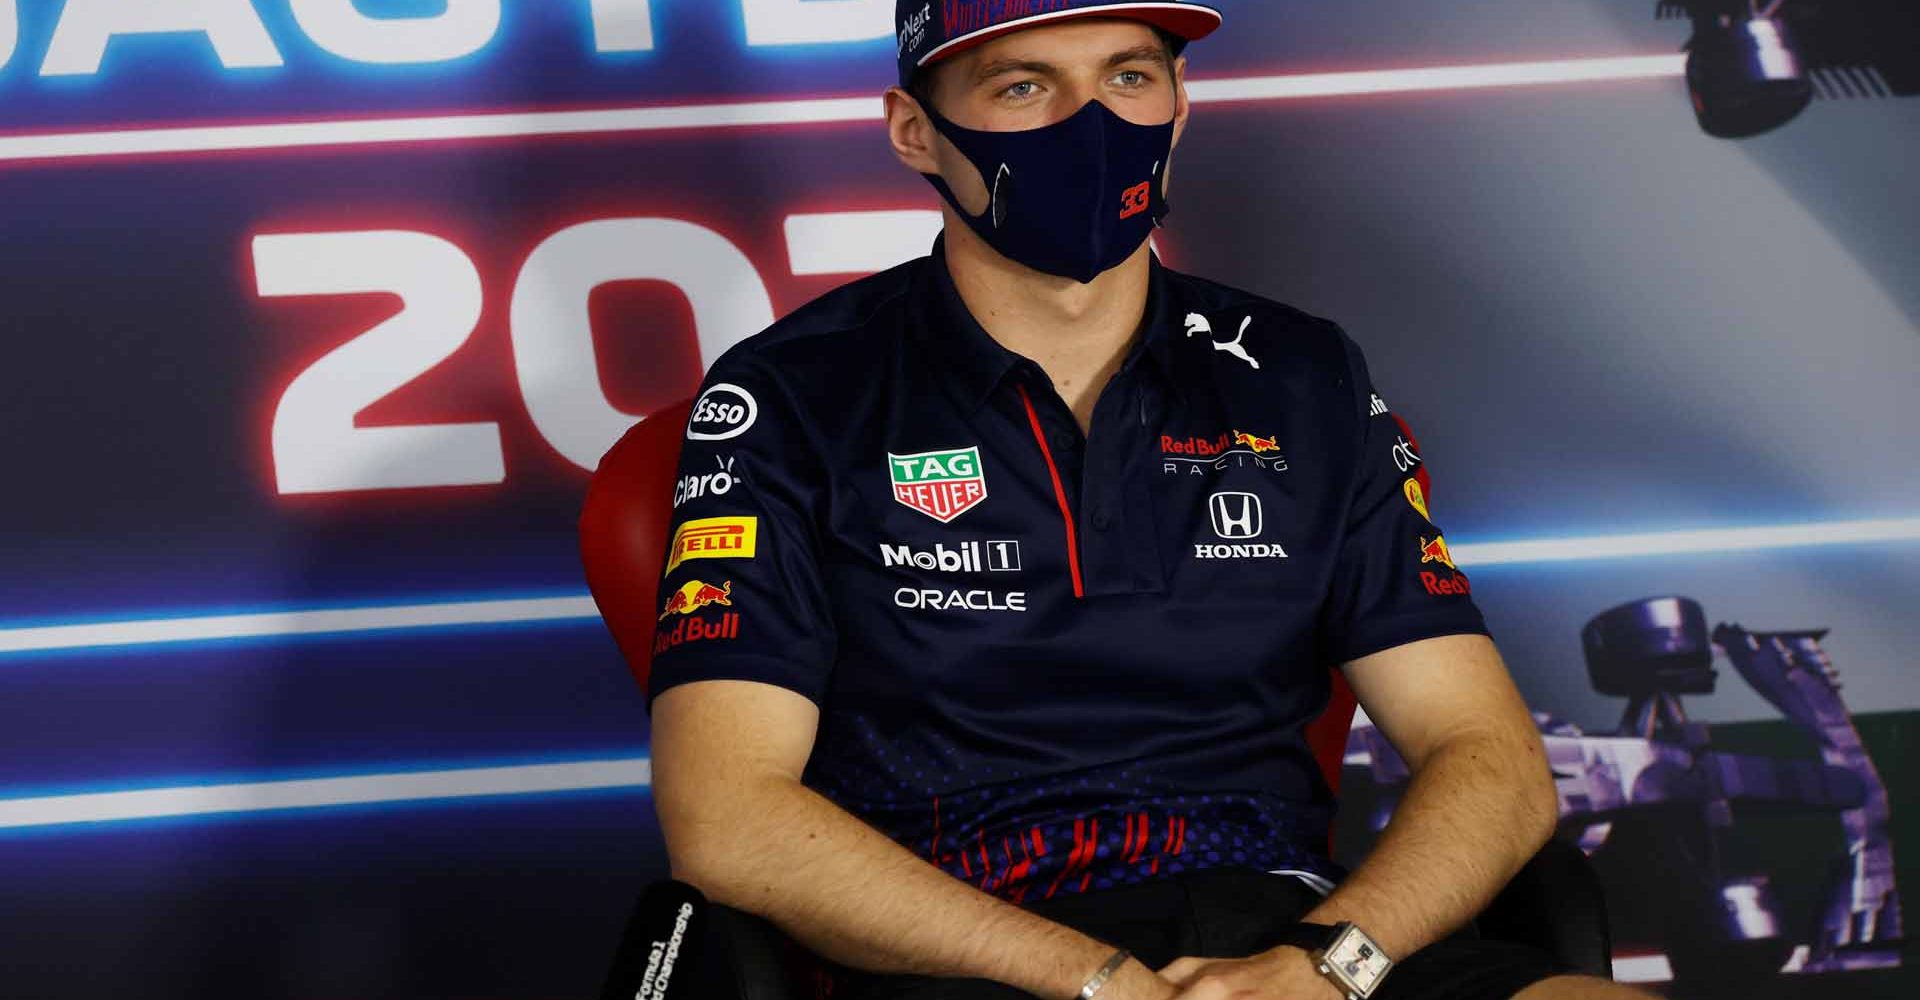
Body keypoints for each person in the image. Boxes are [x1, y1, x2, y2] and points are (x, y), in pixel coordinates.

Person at [641, 3, 1653, 998]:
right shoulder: (790, 395)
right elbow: (728, 816)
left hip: (1286, 941)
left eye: (1128, 77)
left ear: (1177, 105)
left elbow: (1490, 756)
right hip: (969, 951)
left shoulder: (1302, 376)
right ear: (915, 132)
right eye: (1025, 86)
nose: (1091, 124)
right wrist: (1093, 980)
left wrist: (1328, 965)